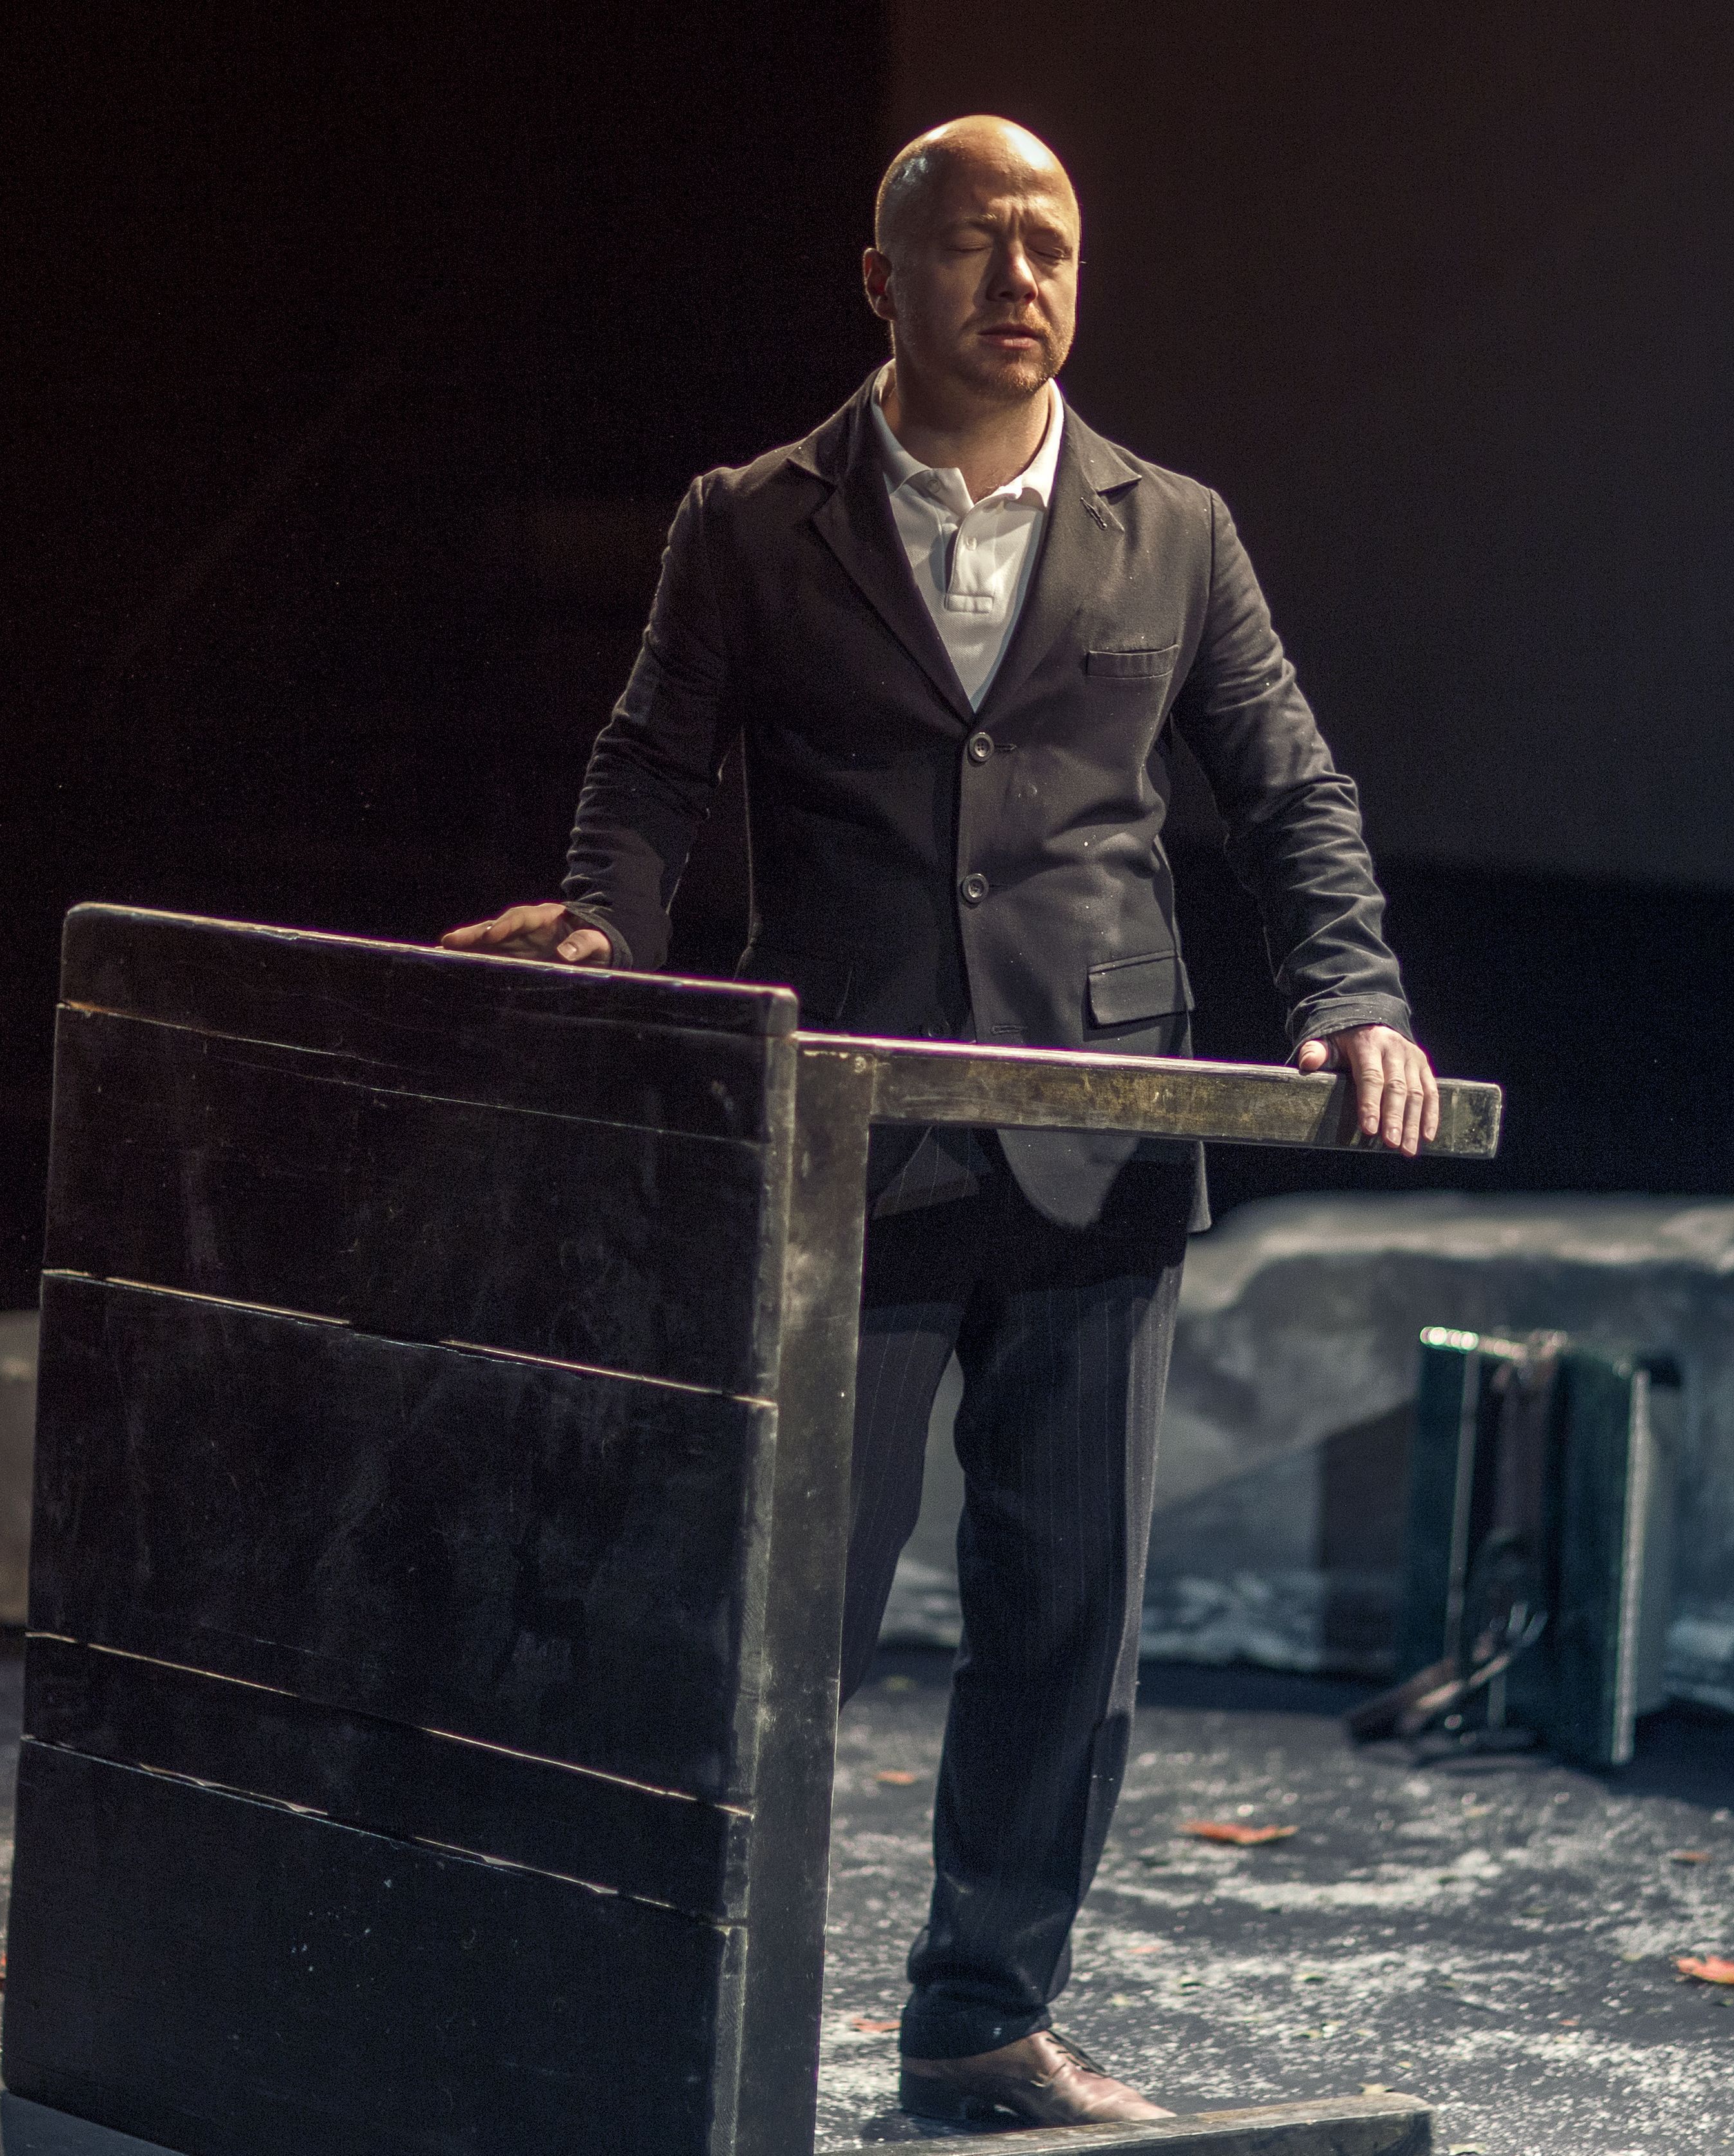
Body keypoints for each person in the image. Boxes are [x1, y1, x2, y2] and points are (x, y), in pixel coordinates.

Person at [444, 115, 1437, 2128]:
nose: (1022, 278)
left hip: (1094, 1141)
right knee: (784, 1621)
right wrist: (604, 928)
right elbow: (651, 769)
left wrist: (1352, 991)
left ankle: (983, 2019)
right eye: (978, 242)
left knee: (1064, 1621)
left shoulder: (1175, 528)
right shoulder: (750, 520)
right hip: (853, 1141)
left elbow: (1287, 788)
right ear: (881, 279)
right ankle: (686, 2001)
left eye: (1052, 242)